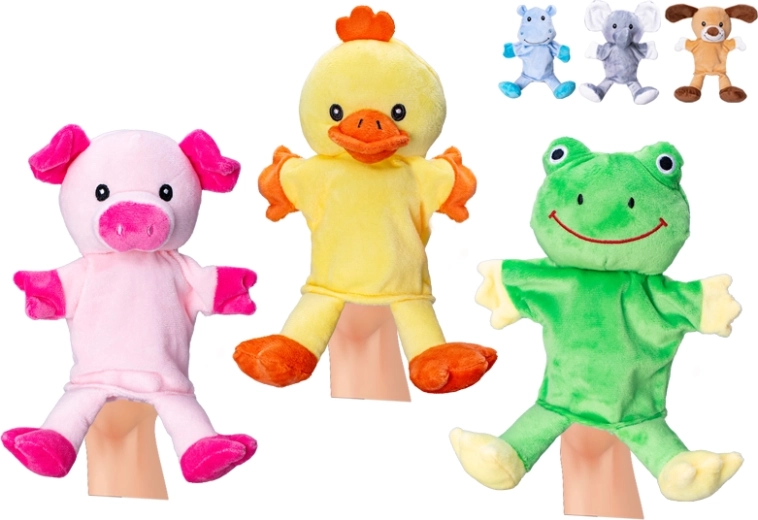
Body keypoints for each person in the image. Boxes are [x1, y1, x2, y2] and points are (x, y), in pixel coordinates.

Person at [86, 306, 643, 517]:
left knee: (409, 313)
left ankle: (432, 361)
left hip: (405, 292)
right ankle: (291, 352)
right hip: (326, 288)